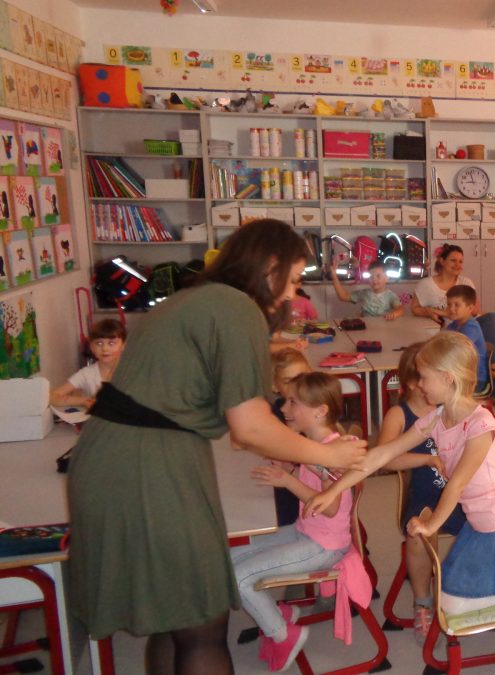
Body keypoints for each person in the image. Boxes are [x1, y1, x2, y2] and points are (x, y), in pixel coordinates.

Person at [66, 219, 366, 675]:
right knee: (200, 618)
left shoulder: (196, 299)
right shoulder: (235, 308)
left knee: (175, 612)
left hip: (124, 455)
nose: (292, 294)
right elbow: (249, 427)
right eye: (292, 280)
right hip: (145, 464)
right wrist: (329, 455)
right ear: (269, 266)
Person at [308, 332, 495, 616]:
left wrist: (431, 525)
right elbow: (382, 454)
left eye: (424, 377)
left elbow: (456, 484)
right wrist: (334, 490)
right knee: (450, 595)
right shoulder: (437, 418)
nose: (419, 384)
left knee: (450, 605)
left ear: (448, 378)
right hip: (479, 522)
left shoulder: (481, 424)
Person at [232, 372, 355, 672]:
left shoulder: (332, 452)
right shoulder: (313, 444)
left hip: (325, 545)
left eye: (292, 403)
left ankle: (283, 634)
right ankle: (281, 615)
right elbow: (310, 475)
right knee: (228, 560)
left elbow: (329, 507)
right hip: (306, 531)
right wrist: (289, 469)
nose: (284, 409)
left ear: (320, 410)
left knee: (239, 578)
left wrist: (287, 480)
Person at [375, 343, 463, 644]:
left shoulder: (450, 407)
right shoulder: (399, 414)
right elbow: (385, 459)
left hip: (458, 493)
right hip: (424, 494)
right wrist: (426, 459)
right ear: (414, 382)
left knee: (488, 521)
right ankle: (423, 601)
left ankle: (470, 591)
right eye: (424, 377)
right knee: (418, 533)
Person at [412, 244, 495, 406]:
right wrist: (430, 312)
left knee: (492, 320)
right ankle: (492, 369)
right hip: (448, 330)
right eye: (453, 260)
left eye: (461, 261)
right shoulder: (426, 284)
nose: (458, 265)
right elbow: (415, 309)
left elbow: (475, 311)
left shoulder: (466, 284)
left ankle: (491, 369)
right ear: (442, 261)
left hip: (469, 369)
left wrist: (445, 313)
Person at [269, 348, 312, 527]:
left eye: (302, 378)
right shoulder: (270, 418)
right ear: (274, 386)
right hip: (284, 500)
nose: (297, 387)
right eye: (288, 381)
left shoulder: (318, 418)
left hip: (312, 505)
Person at [49, 318, 126, 408]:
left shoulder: (133, 371)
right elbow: (52, 397)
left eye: (111, 343)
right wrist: (85, 401)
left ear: (123, 346)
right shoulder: (86, 374)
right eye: (99, 343)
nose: (105, 349)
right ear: (92, 347)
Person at [444, 284, 489, 395]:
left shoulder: (471, 327)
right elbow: (441, 340)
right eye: (449, 304)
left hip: (475, 380)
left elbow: (459, 348)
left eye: (456, 305)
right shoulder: (454, 325)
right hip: (461, 375)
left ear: (470, 308)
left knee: (438, 388)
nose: (451, 309)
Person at [330, 261, 403, 320]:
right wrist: (334, 276)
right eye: (371, 276)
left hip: (383, 328)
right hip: (366, 328)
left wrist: (393, 314)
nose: (374, 279)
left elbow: (401, 310)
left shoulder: (391, 296)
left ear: (386, 278)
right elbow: (343, 296)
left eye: (378, 276)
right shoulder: (364, 293)